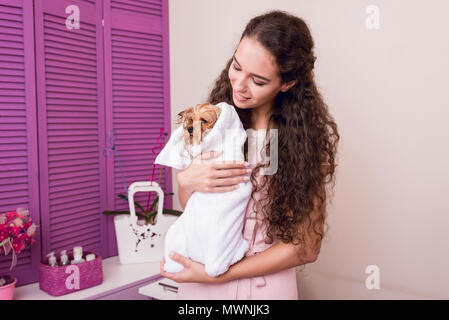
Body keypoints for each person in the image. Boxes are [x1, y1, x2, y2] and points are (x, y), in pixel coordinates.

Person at [160, 10, 339, 300]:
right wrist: (187, 181)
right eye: (236, 66)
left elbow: (306, 246)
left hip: (261, 287)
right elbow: (197, 210)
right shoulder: (212, 121)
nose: (239, 86)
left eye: (257, 80)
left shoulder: (302, 145)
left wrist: (218, 273)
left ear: (287, 82)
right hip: (200, 280)